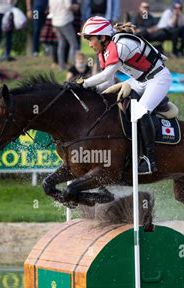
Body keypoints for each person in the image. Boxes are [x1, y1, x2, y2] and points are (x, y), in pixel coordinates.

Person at [75, 17, 172, 175]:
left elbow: (106, 76)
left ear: (102, 37)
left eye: (90, 39)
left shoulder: (120, 45)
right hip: (138, 81)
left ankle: (149, 160)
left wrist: (83, 84)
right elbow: (106, 84)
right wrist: (87, 94)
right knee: (111, 98)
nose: (89, 44)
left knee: (140, 112)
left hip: (158, 79)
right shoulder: (104, 51)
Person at [49, 0, 79, 70]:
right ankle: (74, 66)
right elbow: (68, 6)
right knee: (74, 44)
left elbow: (51, 10)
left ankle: (61, 66)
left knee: (61, 43)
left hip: (55, 22)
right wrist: (75, 7)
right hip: (65, 21)